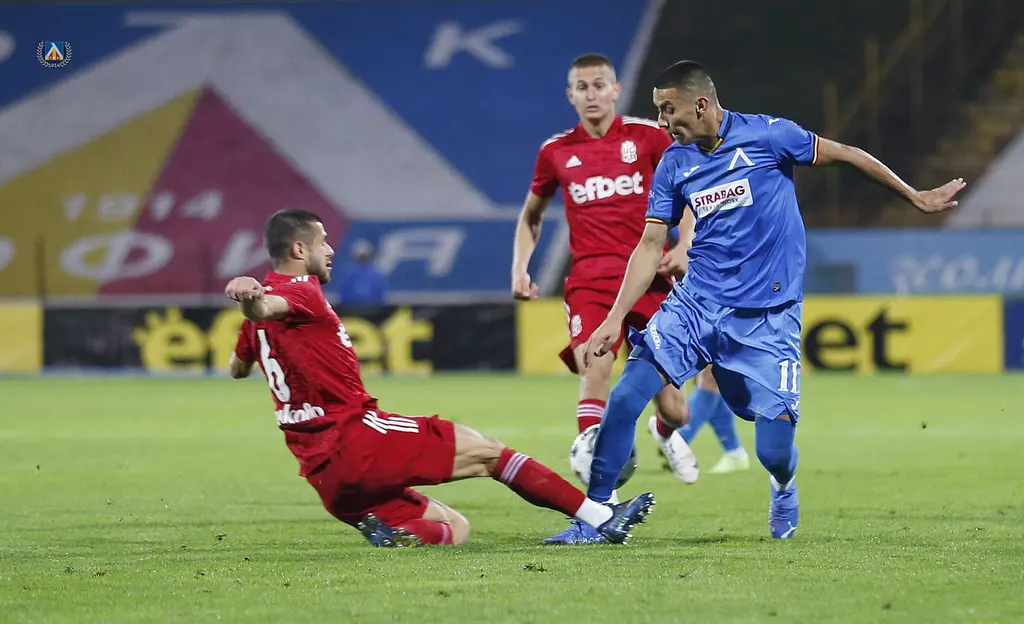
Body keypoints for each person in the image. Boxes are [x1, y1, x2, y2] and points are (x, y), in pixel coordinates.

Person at [546, 60, 965, 543]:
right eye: (657, 111)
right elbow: (650, 244)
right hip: (697, 306)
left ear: (700, 104)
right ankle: (596, 516)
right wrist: (615, 318)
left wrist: (914, 196)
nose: (662, 122)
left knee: (774, 452)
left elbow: (848, 154)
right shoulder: (675, 163)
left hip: (767, 317)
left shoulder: (769, 136)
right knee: (624, 397)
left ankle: (783, 485)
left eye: (668, 110)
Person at [226, 209, 656, 547]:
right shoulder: (299, 291)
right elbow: (264, 307)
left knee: (454, 527)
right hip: (356, 440)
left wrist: (256, 311)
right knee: (490, 453)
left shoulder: (260, 322)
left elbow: (237, 367)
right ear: (299, 249)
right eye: (323, 242)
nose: (331, 250)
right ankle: (601, 517)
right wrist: (251, 297)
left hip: (325, 479)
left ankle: (397, 536)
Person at [511, 53, 700, 492]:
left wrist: (685, 244)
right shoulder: (556, 152)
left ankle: (663, 431)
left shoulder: (649, 137)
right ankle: (601, 487)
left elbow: (692, 191)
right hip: (590, 284)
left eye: (600, 85)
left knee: (676, 409)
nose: (591, 94)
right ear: (570, 96)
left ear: (616, 90)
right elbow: (531, 216)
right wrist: (520, 268)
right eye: (582, 87)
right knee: (594, 366)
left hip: (651, 281)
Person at [335, 239, 387, 305]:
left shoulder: (376, 274)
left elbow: (380, 295)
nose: (362, 256)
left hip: (372, 308)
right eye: (360, 254)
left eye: (364, 254)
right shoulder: (348, 273)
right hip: (351, 308)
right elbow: (343, 294)